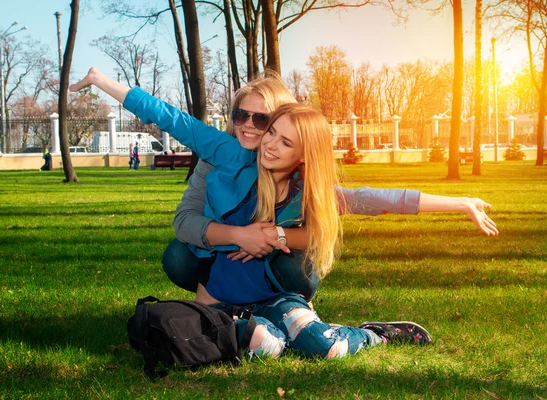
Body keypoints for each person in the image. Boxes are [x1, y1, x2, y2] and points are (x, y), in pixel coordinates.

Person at [70, 69, 434, 360]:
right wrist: (102, 81)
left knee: (320, 330)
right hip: (225, 271)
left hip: (279, 276)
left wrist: (276, 237)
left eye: (263, 120)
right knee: (180, 256)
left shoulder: (297, 171)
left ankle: (336, 325)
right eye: (240, 114)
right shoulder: (223, 153)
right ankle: (253, 322)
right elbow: (172, 120)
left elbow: (361, 200)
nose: (249, 125)